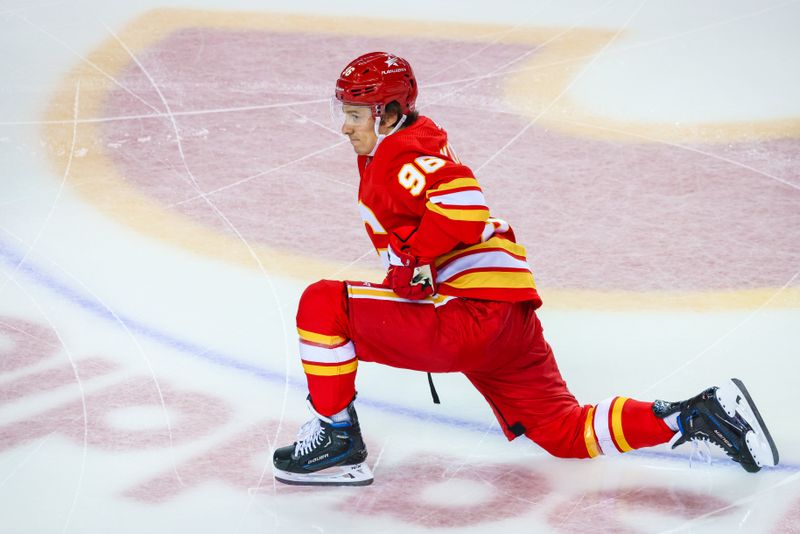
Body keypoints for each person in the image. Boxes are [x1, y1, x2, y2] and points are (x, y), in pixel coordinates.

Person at [272, 52, 779, 486]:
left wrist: (411, 258)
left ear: (388, 113)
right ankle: (692, 415)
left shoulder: (400, 154)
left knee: (321, 304)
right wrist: (416, 263)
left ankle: (337, 436)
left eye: (356, 114)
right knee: (563, 432)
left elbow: (466, 207)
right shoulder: (406, 143)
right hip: (507, 320)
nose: (345, 125)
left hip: (470, 314)